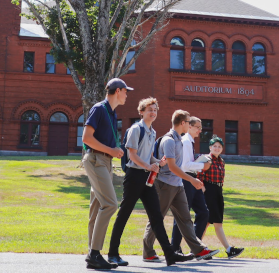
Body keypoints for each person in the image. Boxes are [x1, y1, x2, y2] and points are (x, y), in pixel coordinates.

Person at [107, 98, 195, 267]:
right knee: (124, 214)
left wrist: (158, 162)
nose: (153, 113)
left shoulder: (152, 132)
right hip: (134, 177)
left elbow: (148, 156)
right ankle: (112, 254)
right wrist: (149, 165)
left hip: (147, 178)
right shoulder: (135, 129)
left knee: (156, 217)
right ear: (141, 112)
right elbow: (132, 156)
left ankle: (170, 255)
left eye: (155, 110)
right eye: (149, 110)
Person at [142, 110, 219, 262]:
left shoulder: (179, 140)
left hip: (177, 185)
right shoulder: (169, 140)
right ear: (182, 123)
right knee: (157, 218)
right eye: (188, 122)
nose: (190, 125)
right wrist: (191, 180)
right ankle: (148, 251)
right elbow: (173, 167)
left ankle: (198, 250)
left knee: (185, 218)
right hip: (165, 184)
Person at [81, 78, 130, 270]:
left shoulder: (112, 112)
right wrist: (110, 151)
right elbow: (86, 138)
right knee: (110, 204)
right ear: (118, 91)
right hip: (96, 160)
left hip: (105, 162)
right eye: (126, 91)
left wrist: (114, 150)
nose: (127, 95)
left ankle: (93, 254)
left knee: (97, 208)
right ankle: (94, 253)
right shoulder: (99, 109)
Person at [197, 135, 244, 259]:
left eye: (219, 146)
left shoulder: (221, 161)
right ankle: (199, 249)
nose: (217, 148)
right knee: (207, 221)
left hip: (218, 191)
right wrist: (202, 188)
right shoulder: (206, 159)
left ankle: (226, 250)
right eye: (214, 146)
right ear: (210, 147)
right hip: (208, 190)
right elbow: (199, 173)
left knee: (215, 222)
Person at [170, 116, 211, 252]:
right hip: (187, 180)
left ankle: (195, 247)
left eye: (200, 127)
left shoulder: (190, 141)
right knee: (182, 214)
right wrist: (202, 165)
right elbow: (184, 165)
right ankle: (175, 248)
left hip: (192, 180)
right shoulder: (186, 141)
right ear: (190, 127)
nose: (200, 130)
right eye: (198, 127)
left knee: (203, 213)